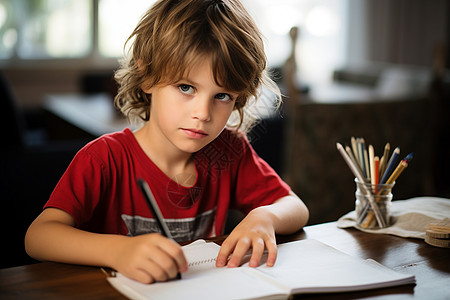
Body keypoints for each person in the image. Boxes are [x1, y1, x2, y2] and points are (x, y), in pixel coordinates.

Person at [25, 0, 309, 284]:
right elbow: (38, 236)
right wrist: (118, 250)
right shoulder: (104, 158)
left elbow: (295, 207)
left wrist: (264, 217)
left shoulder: (230, 152)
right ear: (147, 76)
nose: (203, 114)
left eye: (222, 96)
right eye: (186, 87)